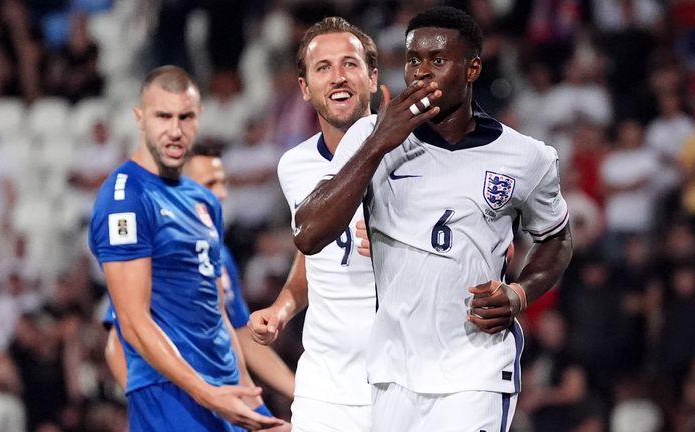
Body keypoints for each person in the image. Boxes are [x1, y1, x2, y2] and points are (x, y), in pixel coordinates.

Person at [293, 7, 573, 431]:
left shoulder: (525, 157)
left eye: (438, 61)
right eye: (413, 61)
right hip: (392, 370)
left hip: (474, 369)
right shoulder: (369, 138)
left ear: (472, 68)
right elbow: (308, 233)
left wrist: (519, 293)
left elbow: (556, 238)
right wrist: (378, 144)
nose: (422, 73)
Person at [88, 65, 283, 431]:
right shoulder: (126, 197)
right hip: (171, 395)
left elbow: (218, 314)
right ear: (139, 117)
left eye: (186, 117)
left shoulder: (202, 199)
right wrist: (207, 394)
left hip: (226, 393)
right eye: (163, 116)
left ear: (199, 118)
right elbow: (130, 322)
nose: (175, 130)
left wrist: (255, 407)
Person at [247, 17, 378, 431]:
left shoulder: (415, 156)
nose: (338, 77)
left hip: (404, 377)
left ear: (373, 78)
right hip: (326, 385)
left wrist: (404, 244)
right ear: (304, 88)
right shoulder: (294, 166)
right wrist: (282, 309)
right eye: (323, 67)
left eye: (349, 64)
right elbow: (312, 256)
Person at [102, 143, 296, 402]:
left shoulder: (221, 255)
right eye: (209, 184)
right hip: (172, 400)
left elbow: (239, 336)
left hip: (219, 400)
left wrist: (301, 396)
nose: (222, 194)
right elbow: (116, 341)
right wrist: (149, 408)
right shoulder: (153, 253)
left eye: (223, 183)